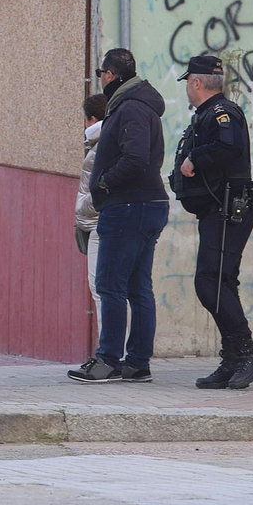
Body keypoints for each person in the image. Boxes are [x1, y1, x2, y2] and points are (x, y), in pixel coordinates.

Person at [69, 48, 168, 384]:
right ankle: (137, 363)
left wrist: (104, 184)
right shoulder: (134, 105)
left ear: (109, 75)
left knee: (111, 284)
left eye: (102, 74)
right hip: (142, 204)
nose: (102, 79)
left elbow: (136, 157)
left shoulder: (131, 108)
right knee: (138, 287)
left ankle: (109, 359)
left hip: (129, 207)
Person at [169, 54, 253, 390]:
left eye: (188, 83)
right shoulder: (207, 114)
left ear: (196, 82)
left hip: (228, 209)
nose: (187, 88)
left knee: (210, 282)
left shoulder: (222, 112)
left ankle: (246, 353)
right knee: (220, 282)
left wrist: (195, 157)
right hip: (216, 209)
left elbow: (228, 146)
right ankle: (234, 358)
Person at [74, 92, 108, 337]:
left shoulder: (100, 146)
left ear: (92, 120)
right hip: (103, 220)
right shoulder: (110, 139)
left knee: (101, 288)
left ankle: (109, 349)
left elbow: (97, 189)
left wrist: (82, 211)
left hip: (99, 222)